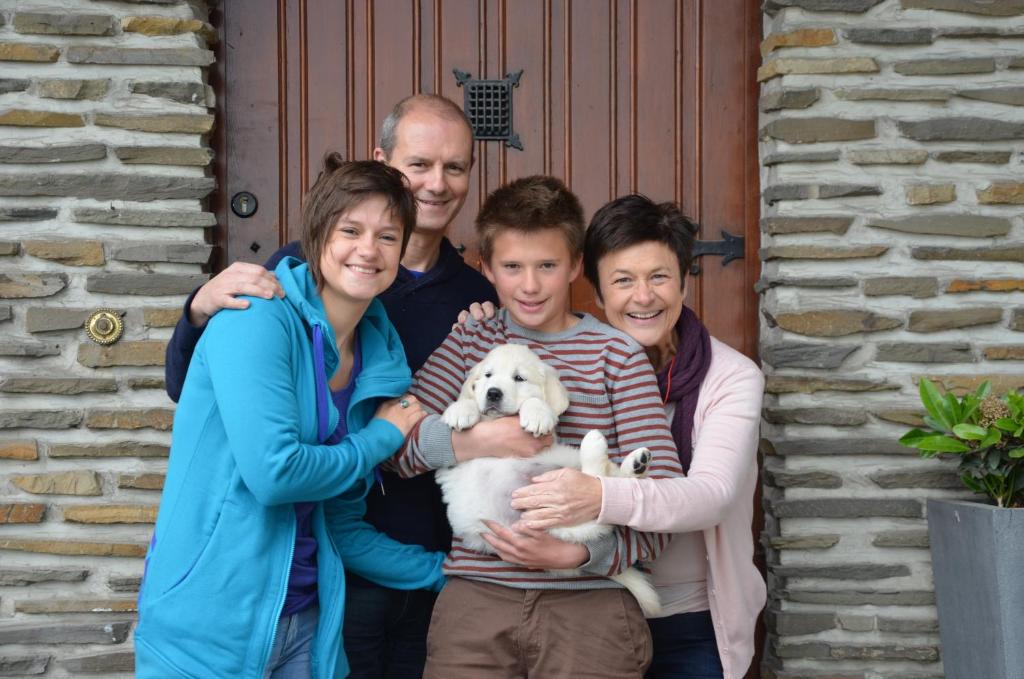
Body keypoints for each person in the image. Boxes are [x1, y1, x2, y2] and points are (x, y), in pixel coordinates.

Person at [161, 95, 517, 677]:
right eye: (420, 164)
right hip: (301, 577)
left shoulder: (471, 299)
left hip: (396, 554)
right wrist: (199, 311)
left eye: (455, 167)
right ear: (382, 160)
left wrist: (457, 564)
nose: (436, 183)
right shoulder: (289, 282)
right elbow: (197, 392)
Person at [135, 156, 447, 678]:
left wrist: (457, 573)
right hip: (208, 628)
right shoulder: (256, 318)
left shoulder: (378, 362)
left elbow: (342, 525)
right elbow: (274, 474)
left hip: (307, 629)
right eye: (351, 230)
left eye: (388, 236)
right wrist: (379, 438)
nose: (368, 249)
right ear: (318, 233)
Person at [388, 176, 686, 678]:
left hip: (591, 605)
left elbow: (665, 498)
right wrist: (477, 438)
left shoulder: (616, 356)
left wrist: (578, 553)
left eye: (547, 266)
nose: (529, 285)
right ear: (486, 269)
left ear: (574, 266)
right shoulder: (469, 345)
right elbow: (394, 448)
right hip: (476, 600)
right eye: (512, 267)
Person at [508, 194, 766, 679]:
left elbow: (711, 497)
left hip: (690, 620)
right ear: (599, 296)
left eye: (659, 277)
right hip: (587, 606)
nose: (643, 297)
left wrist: (598, 495)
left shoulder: (731, 377)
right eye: (623, 281)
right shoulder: (567, 370)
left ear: (684, 281)